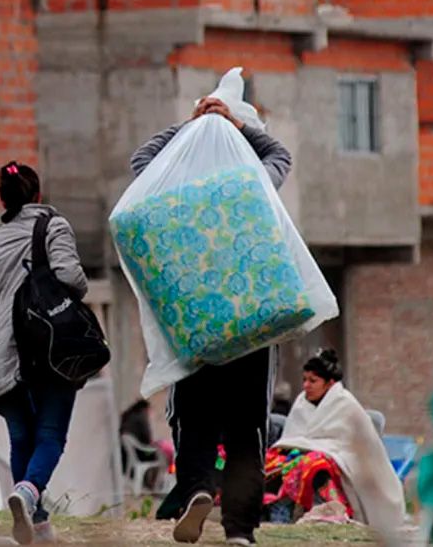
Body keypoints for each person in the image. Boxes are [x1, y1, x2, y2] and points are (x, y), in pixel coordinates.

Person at [131, 94, 292, 545]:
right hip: (249, 326)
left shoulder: (172, 186)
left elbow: (141, 158)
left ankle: (198, 490)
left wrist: (192, 126)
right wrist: (235, 128)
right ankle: (239, 529)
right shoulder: (252, 182)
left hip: (194, 327)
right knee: (247, 429)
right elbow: (281, 154)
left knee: (194, 420)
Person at [0, 161, 88, 545]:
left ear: (2, 199)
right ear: (38, 197)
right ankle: (28, 494)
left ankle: (36, 526)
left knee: (22, 439)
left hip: (1, 357)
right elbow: (72, 278)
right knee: (51, 436)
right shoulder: (54, 226)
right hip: (51, 351)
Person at [264, 350, 404, 528]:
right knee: (274, 463)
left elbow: (349, 449)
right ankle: (278, 514)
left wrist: (317, 452)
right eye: (304, 380)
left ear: (330, 383)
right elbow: (293, 437)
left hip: (343, 464)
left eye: (313, 381)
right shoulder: (302, 402)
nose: (306, 385)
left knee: (314, 464)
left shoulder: (346, 404)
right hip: (303, 455)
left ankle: (326, 512)